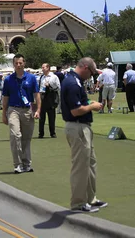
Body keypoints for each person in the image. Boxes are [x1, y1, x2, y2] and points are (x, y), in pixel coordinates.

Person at [61, 57, 108, 213]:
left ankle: (90, 198)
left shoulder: (76, 81)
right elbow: (76, 111)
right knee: (80, 167)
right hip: (77, 127)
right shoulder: (72, 83)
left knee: (90, 164)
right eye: (92, 73)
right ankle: (78, 203)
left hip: (83, 127)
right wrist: (92, 106)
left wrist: (88, 103)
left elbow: (80, 104)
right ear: (85, 67)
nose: (92, 76)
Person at [1, 54, 40, 174]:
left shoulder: (31, 78)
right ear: (13, 64)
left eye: (20, 63)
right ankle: (17, 164)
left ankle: (26, 164)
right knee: (15, 135)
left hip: (27, 110)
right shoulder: (8, 80)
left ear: (24, 63)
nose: (18, 65)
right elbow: (5, 97)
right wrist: (4, 113)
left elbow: (37, 95)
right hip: (13, 109)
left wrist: (38, 110)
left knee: (26, 139)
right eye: (16, 63)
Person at [38, 63, 60, 139]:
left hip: (50, 97)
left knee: (51, 117)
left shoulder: (54, 77)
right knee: (41, 117)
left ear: (48, 68)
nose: (42, 69)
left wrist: (50, 85)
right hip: (42, 97)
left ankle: (52, 133)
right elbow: (40, 87)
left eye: (43, 67)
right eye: (42, 67)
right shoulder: (42, 77)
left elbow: (58, 87)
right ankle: (41, 133)